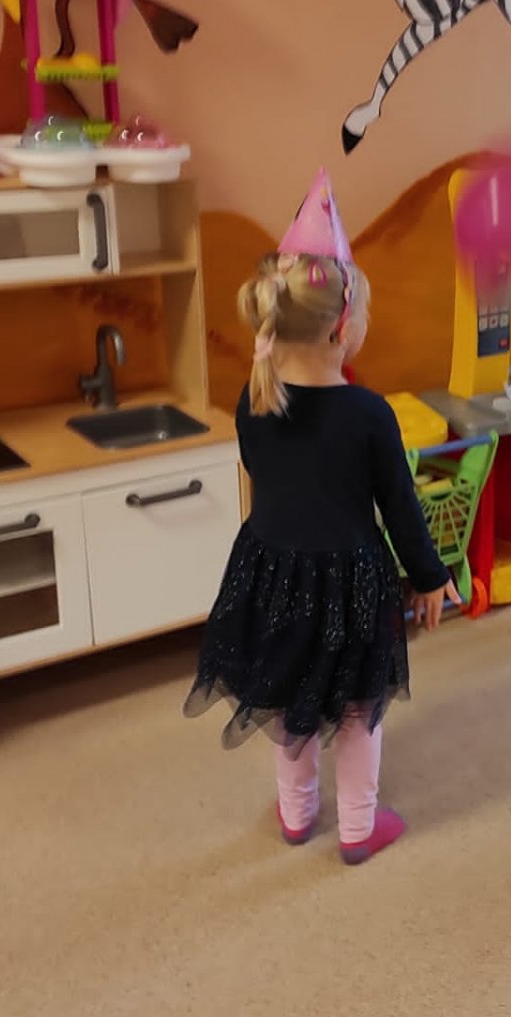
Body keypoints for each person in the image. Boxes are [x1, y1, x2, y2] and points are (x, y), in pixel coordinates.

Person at [185, 170, 457, 865]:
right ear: (343, 326)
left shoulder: (254, 400)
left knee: (288, 702)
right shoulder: (369, 414)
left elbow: (258, 468)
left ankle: (298, 812)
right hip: (351, 582)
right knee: (360, 707)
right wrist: (431, 577)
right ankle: (359, 827)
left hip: (271, 573)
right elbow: (400, 507)